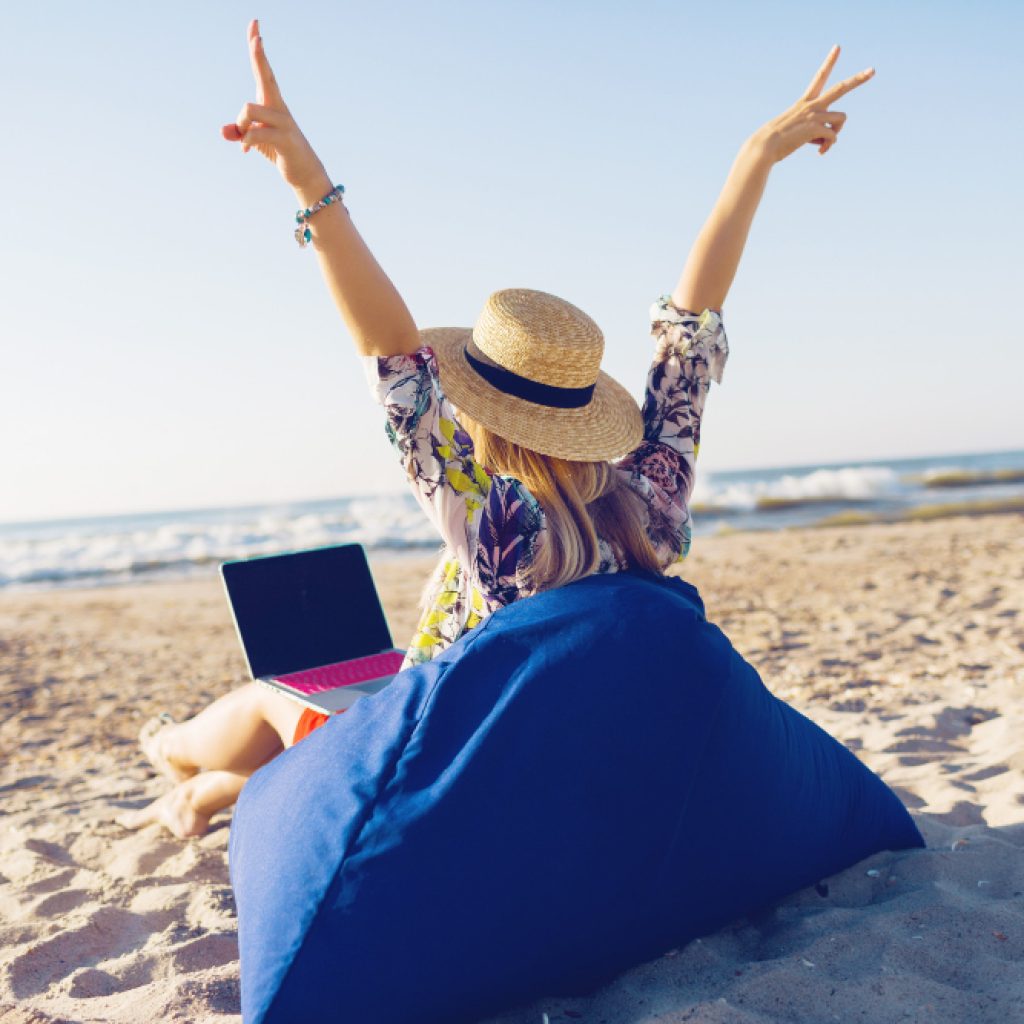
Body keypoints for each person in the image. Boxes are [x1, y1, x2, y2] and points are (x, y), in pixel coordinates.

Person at [118, 20, 875, 838]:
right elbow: (687, 339)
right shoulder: (651, 505)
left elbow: (390, 352)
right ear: (587, 411)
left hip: (441, 761)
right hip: (567, 754)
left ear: (477, 407)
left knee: (273, 696)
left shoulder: (491, 525)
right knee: (318, 706)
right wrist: (753, 161)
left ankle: (175, 756)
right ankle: (203, 789)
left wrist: (309, 182)